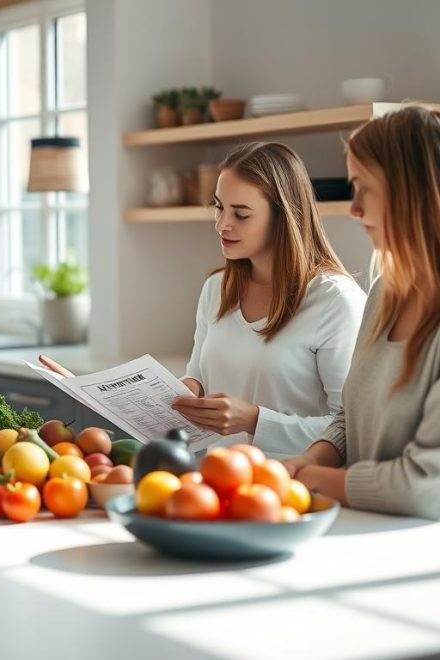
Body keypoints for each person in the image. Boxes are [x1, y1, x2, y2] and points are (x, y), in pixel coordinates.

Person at [282, 106, 440, 519]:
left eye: (362, 188)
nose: (354, 209)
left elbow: (426, 486)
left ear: (409, 191)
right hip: (361, 532)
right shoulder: (385, 292)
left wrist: (316, 482)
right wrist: (312, 460)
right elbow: (351, 417)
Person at [170, 142, 366, 457]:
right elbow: (199, 378)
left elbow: (352, 427)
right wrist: (185, 392)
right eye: (219, 207)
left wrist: (254, 420)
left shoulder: (334, 301)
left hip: (291, 488)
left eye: (241, 214)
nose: (222, 224)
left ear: (283, 217)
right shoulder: (216, 289)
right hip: (214, 480)